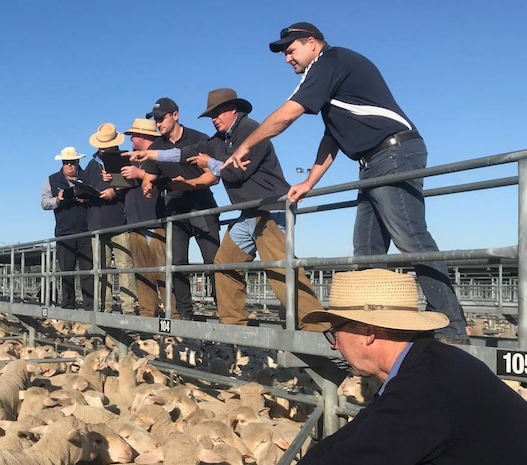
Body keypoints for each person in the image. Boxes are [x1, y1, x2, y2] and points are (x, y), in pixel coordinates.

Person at [224, 22, 468, 343]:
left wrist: (246, 144)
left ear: (312, 43)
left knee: (410, 238)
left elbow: (287, 115)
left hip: (394, 152)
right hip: (372, 163)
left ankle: (453, 327)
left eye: (290, 50)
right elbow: (332, 137)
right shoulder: (331, 80)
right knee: (366, 248)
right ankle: (372, 327)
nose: (286, 59)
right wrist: (309, 181)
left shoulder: (329, 62)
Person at [277, 268, 527, 465]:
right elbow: (343, 446)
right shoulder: (429, 366)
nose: (334, 345)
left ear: (367, 333)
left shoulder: (426, 387)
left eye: (335, 332)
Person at [137, 88, 328, 330]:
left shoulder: (251, 132)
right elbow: (187, 152)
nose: (214, 119)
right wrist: (151, 154)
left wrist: (210, 163)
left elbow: (236, 172)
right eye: (211, 115)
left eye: (217, 113)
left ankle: (316, 328)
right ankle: (234, 327)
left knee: (280, 266)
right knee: (224, 263)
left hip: (270, 207)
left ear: (233, 110)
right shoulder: (218, 140)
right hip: (249, 212)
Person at [134, 98, 217, 320]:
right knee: (177, 264)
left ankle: (226, 315)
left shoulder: (199, 139)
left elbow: (215, 176)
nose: (158, 124)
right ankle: (185, 316)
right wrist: (147, 187)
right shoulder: (156, 147)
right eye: (155, 120)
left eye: (161, 118)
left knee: (214, 261)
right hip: (174, 210)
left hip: (201, 206)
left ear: (176, 115)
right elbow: (149, 177)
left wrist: (187, 184)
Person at [79, 123, 136, 314]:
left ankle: (129, 308)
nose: (102, 148)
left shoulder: (124, 159)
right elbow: (86, 185)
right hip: (96, 221)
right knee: (101, 268)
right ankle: (105, 308)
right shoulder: (91, 165)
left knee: (124, 266)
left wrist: (115, 189)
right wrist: (82, 194)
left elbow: (132, 183)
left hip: (119, 221)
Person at [117, 118, 172, 317]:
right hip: (135, 221)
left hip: (155, 219)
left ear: (144, 137)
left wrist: (140, 174)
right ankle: (148, 312)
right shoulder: (131, 159)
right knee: (142, 271)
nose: (131, 138)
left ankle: (172, 314)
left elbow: (168, 180)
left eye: (134, 135)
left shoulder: (160, 155)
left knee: (162, 269)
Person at [41, 146, 95, 310]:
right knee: (66, 271)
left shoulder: (88, 177)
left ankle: (90, 306)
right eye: (66, 163)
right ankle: (68, 305)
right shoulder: (52, 179)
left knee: (88, 271)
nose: (69, 166)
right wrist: (57, 199)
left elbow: (98, 197)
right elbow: (44, 203)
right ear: (63, 163)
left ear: (78, 162)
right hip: (64, 232)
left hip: (86, 230)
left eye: (72, 163)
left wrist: (86, 199)